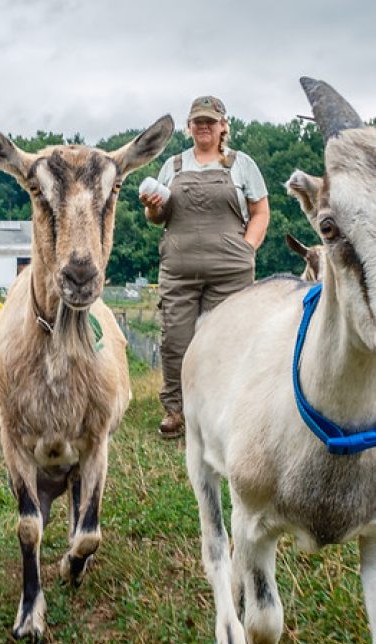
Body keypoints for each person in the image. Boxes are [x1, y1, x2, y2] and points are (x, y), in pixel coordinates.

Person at [140, 95, 269, 438]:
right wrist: (152, 208)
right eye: (198, 121)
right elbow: (157, 218)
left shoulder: (242, 165)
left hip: (231, 273)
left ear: (224, 125)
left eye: (211, 121)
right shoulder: (173, 166)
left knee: (229, 341)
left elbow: (260, 212)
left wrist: (248, 248)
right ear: (189, 127)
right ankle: (175, 411)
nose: (204, 127)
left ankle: (225, 410)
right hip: (179, 272)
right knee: (176, 341)